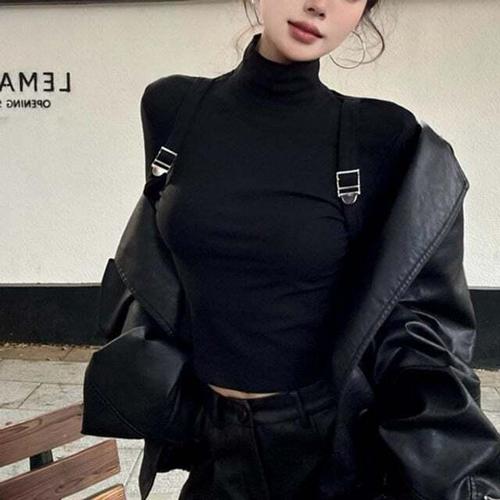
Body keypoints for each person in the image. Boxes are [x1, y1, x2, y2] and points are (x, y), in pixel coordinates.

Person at [134, 1, 500, 499]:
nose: (319, 5)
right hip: (214, 442)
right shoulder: (172, 108)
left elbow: (416, 321)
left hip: (327, 454)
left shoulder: (382, 136)